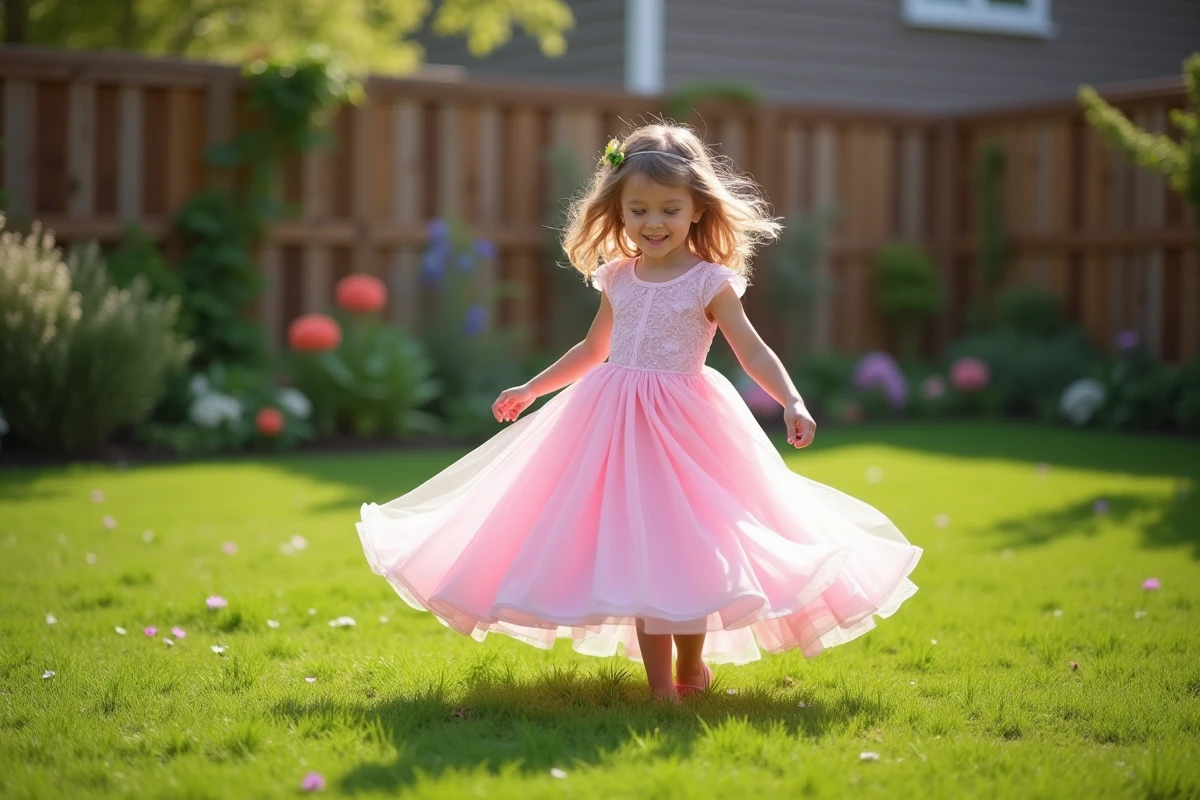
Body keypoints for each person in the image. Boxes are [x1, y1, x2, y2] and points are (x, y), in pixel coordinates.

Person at [357, 122, 922, 702]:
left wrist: (792, 400)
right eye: (639, 210)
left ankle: (689, 670)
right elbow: (593, 349)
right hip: (610, 425)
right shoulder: (618, 277)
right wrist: (532, 388)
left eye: (670, 210)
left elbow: (750, 348)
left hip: (686, 428)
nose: (654, 223)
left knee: (689, 553)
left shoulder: (710, 282)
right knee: (642, 557)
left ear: (698, 210)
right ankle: (662, 690)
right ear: (618, 212)